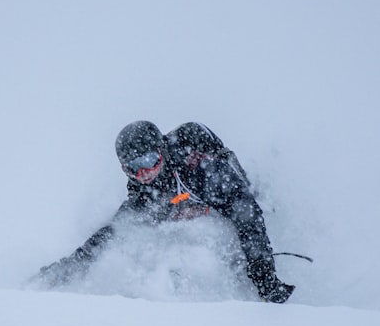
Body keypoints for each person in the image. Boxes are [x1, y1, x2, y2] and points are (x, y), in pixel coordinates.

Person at [37, 120, 295, 303]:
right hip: (181, 197)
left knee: (232, 215)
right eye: (133, 167)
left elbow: (245, 213)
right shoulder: (143, 191)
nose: (144, 173)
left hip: (226, 192)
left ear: (161, 152)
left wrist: (263, 272)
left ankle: (251, 273)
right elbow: (115, 230)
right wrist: (69, 266)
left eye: (149, 161)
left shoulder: (199, 166)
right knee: (152, 218)